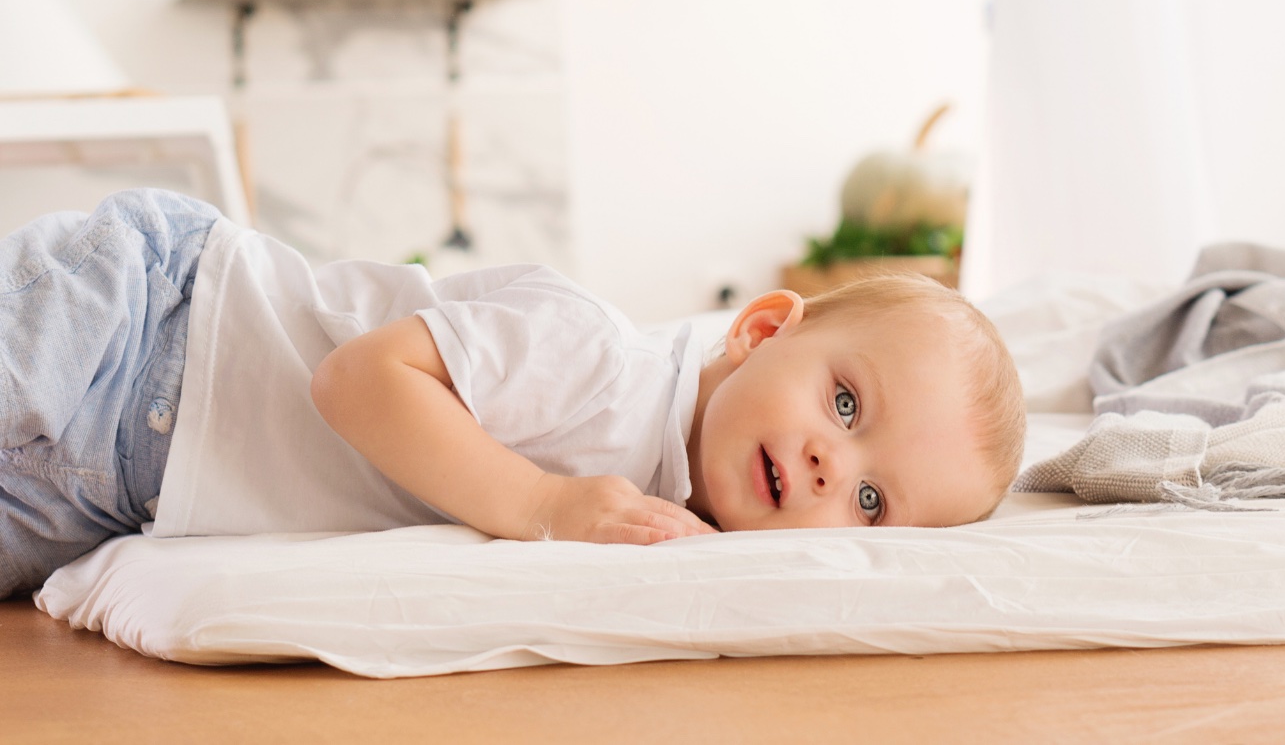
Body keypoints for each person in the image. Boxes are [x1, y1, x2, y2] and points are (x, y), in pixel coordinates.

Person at [1, 188, 1025, 597]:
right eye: (845, 406)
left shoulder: (660, 527)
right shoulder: (599, 359)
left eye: (871, 500)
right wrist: (540, 503)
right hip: (143, 328)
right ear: (760, 331)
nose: (829, 466)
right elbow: (355, 379)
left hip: (119, 494)